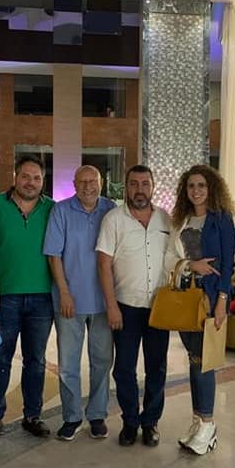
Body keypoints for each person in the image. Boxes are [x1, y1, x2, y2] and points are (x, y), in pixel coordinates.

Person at [0, 156, 55, 440]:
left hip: (42, 298)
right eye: (25, 176)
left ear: (43, 181)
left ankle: (33, 415)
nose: (30, 182)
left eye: (36, 178)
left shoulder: (52, 209)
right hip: (4, 297)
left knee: (36, 360)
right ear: (15, 177)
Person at [163, 165, 235, 455]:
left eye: (202, 186)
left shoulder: (222, 219)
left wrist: (222, 301)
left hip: (210, 298)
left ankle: (208, 424)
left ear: (212, 188)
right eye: (191, 186)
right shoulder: (180, 219)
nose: (196, 191)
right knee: (194, 360)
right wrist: (190, 265)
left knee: (205, 362)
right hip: (186, 297)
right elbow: (169, 257)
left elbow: (228, 264)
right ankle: (198, 420)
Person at [97, 165, 171, 447]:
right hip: (125, 307)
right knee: (124, 369)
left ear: (153, 187)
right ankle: (130, 421)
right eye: (134, 184)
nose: (140, 189)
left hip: (160, 307)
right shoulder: (113, 219)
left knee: (157, 367)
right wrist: (111, 306)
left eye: (145, 183)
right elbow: (103, 265)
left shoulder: (166, 219)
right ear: (126, 187)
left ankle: (150, 422)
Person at [43, 165, 116, 441]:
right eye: (82, 182)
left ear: (101, 183)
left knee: (102, 362)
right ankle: (72, 416)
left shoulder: (111, 210)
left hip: (103, 301)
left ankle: (97, 415)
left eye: (92, 181)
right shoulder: (61, 211)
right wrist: (64, 293)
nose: (88, 186)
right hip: (69, 302)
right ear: (74, 184)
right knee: (68, 365)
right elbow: (54, 256)